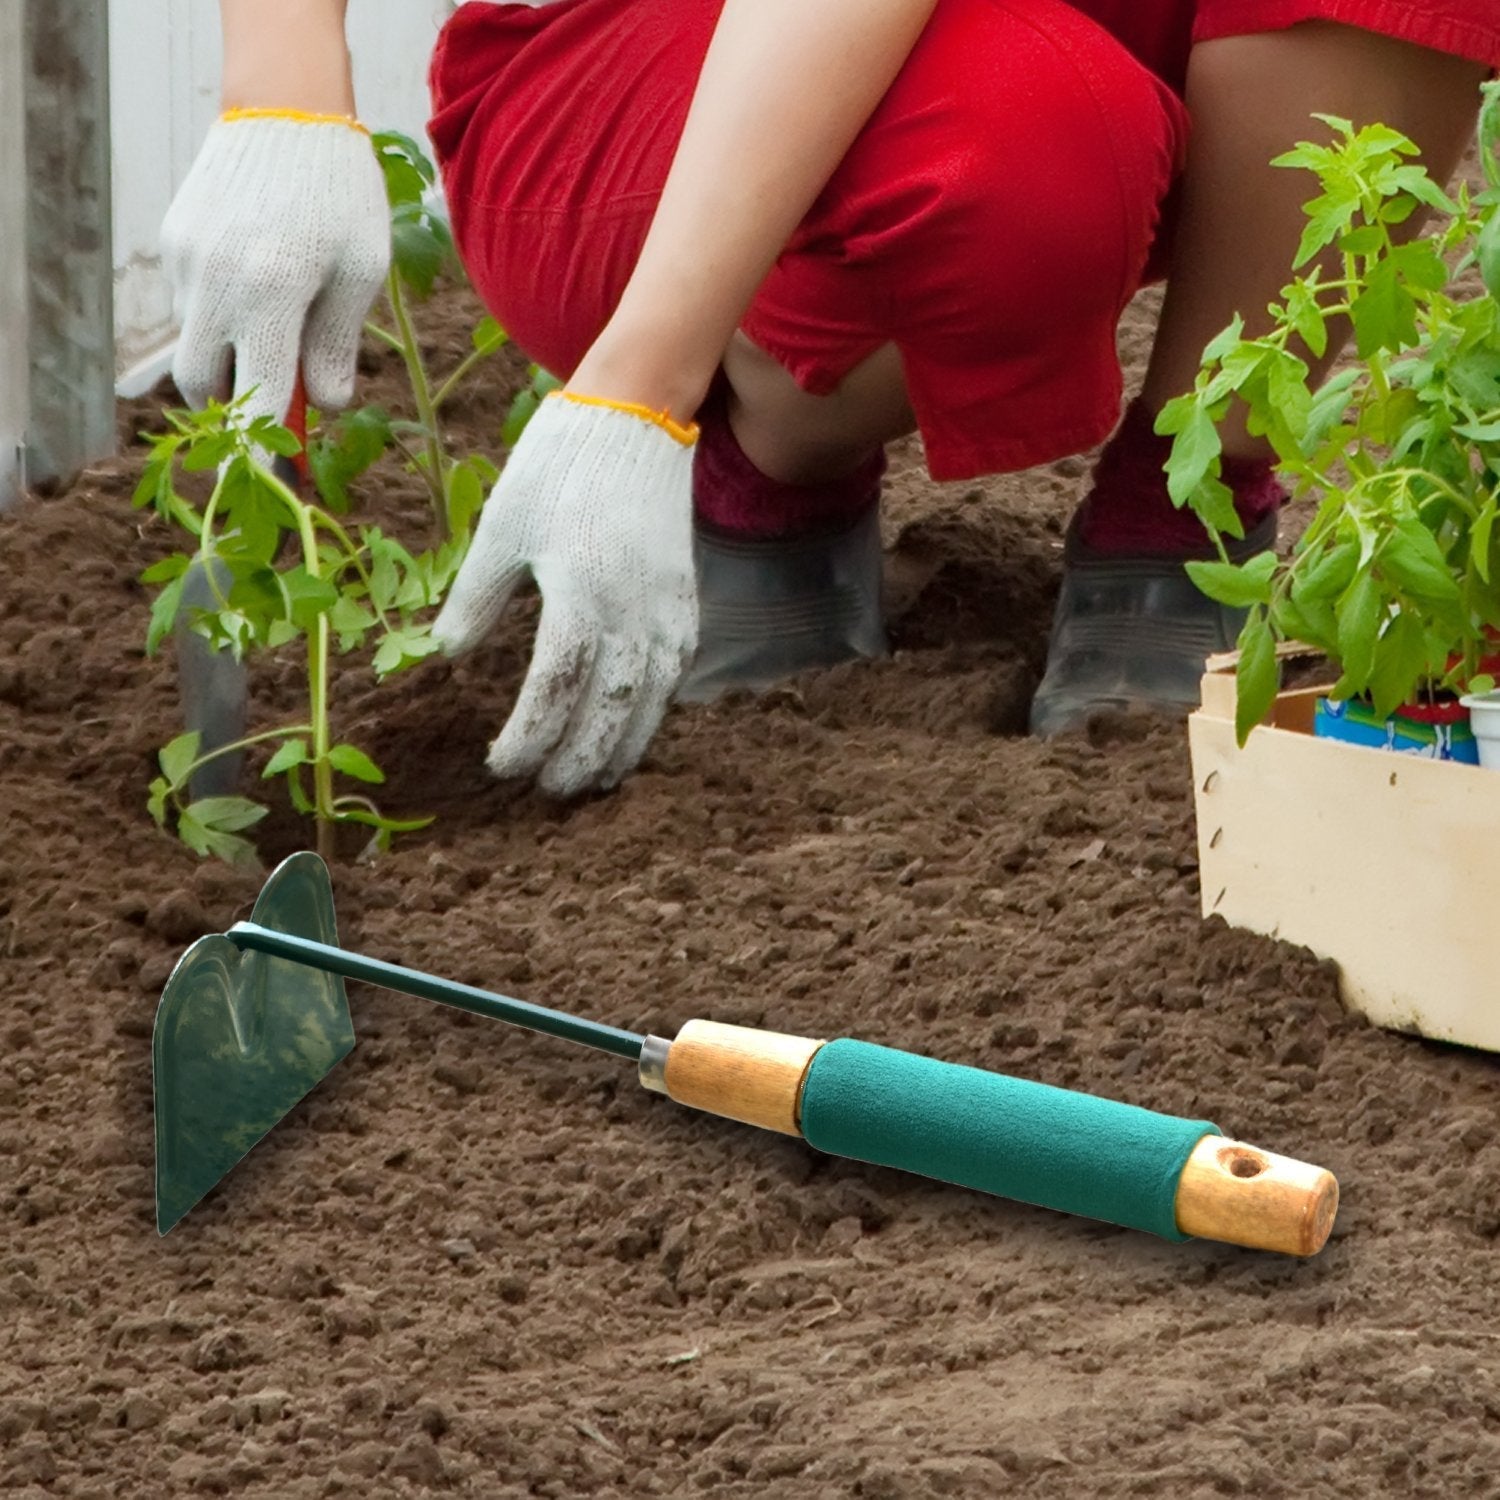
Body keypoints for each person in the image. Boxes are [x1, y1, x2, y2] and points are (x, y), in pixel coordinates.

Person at [163, 0, 1493, 797]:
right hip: (634, 57)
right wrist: (282, 83)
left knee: (1030, 137)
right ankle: (777, 449)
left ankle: (1187, 494)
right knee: (1015, 154)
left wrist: (636, 391)